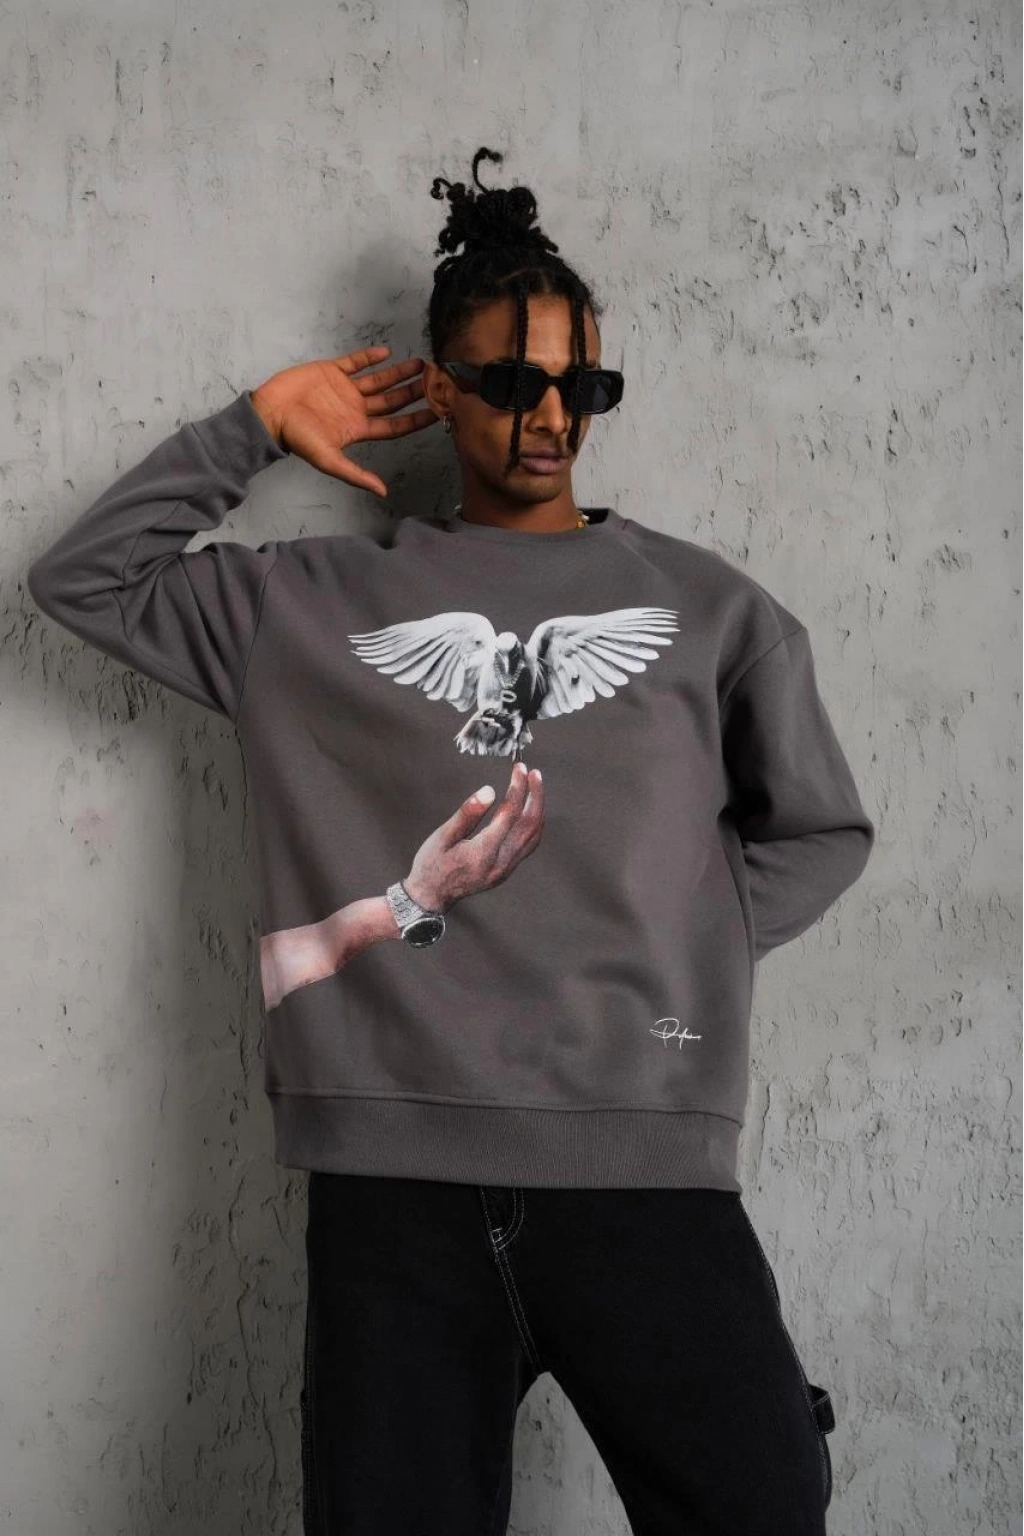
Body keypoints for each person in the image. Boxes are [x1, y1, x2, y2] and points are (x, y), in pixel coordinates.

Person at [27, 144, 874, 1534]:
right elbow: (85, 579)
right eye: (513, 381)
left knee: (765, 1506)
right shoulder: (311, 604)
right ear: (440, 385)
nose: (551, 415)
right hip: (392, 1191)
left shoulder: (710, 611)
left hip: (641, 1168)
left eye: (582, 386)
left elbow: (821, 829)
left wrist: (688, 942)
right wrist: (255, 425)